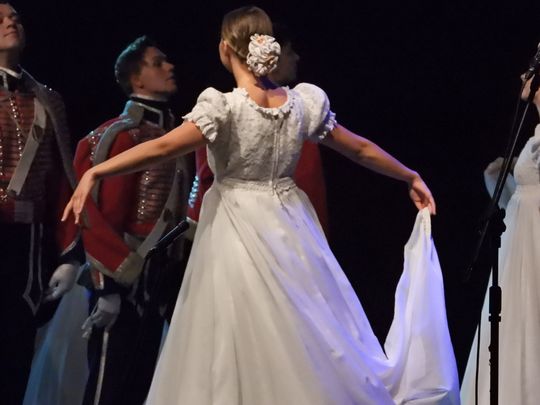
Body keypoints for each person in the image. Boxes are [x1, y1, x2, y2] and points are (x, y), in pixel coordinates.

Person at [63, 6, 459, 405]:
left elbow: (163, 147)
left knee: (236, 327)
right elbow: (359, 148)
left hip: (236, 226)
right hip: (291, 227)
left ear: (225, 49)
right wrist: (409, 174)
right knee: (299, 324)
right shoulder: (299, 103)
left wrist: (96, 172)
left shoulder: (224, 107)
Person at [72, 36, 190, 405]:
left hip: (162, 275)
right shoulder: (118, 135)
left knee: (143, 383)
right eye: (158, 63)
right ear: (137, 79)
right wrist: (107, 286)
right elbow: (92, 214)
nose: (169, 67)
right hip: (124, 276)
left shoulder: (178, 134)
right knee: (109, 386)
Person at [0, 2, 81, 403]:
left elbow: (61, 182)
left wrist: (70, 254)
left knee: (15, 353)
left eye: (14, 16)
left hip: (27, 244)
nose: (10, 22)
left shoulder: (49, 100)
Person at [187, 22, 329, 235]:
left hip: (296, 225)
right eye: (289, 52)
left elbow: (315, 182)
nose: (296, 58)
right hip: (242, 226)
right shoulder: (224, 112)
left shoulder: (302, 110)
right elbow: (203, 176)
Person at [461, 74, 540, 404]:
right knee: (512, 319)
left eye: (532, 69)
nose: (523, 76)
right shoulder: (535, 133)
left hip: (534, 249)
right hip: (520, 247)